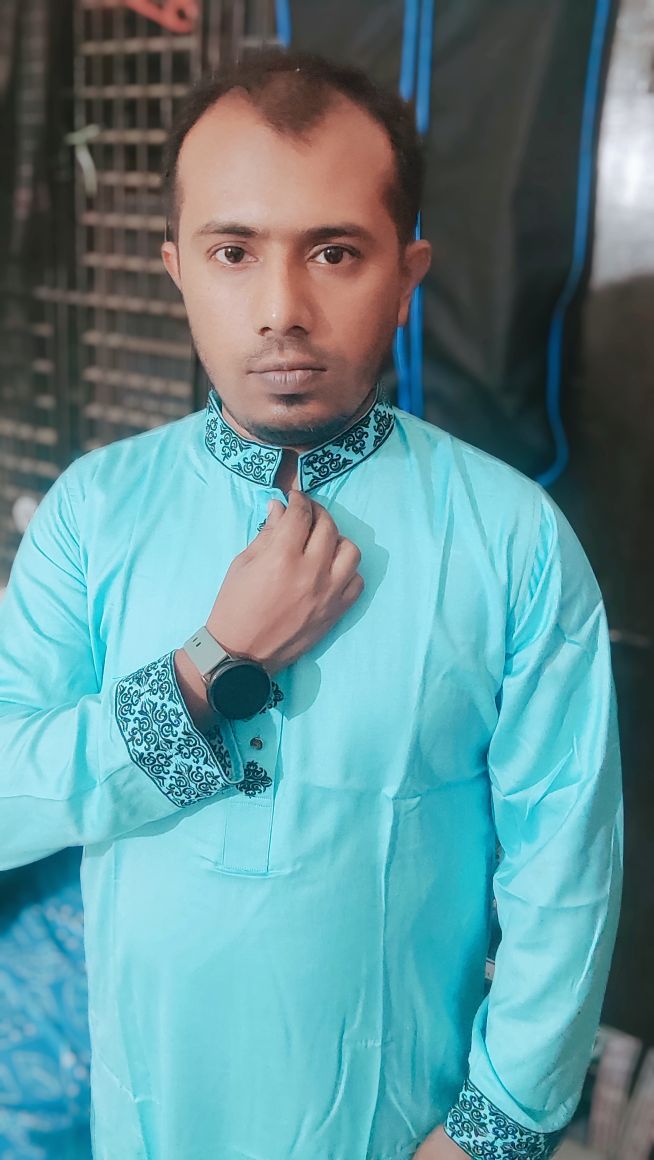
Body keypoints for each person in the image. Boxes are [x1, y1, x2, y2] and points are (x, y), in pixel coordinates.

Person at [0, 48, 623, 1160]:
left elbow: (564, 872)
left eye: (334, 252)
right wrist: (208, 667)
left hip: (402, 1129)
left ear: (408, 273)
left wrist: (495, 1131)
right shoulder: (93, 512)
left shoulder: (513, 541)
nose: (281, 310)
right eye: (233, 252)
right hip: (149, 1118)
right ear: (177, 268)